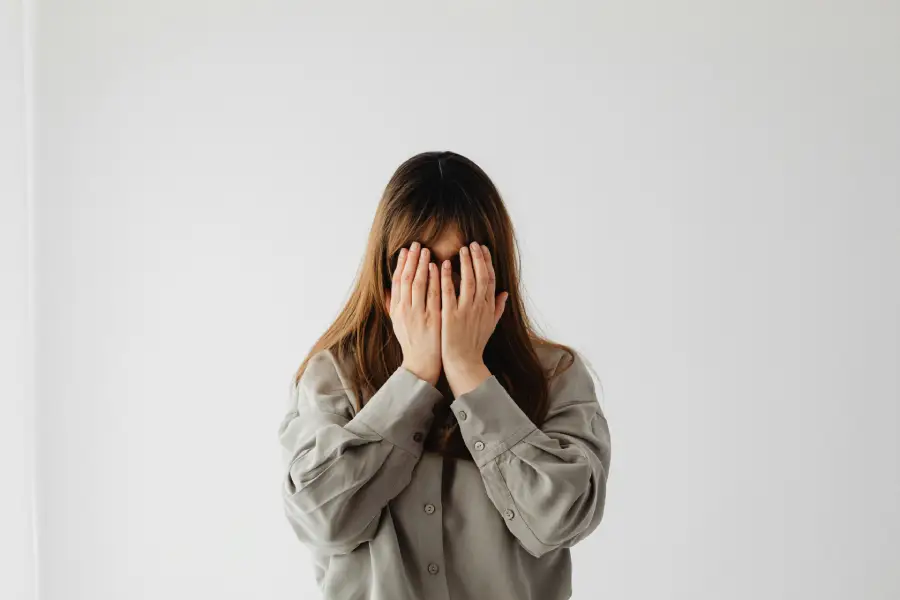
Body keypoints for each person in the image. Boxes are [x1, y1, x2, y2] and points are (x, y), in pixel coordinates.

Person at [277, 150, 611, 600]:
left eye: (460, 267)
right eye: (421, 266)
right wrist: (415, 377)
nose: (440, 287)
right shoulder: (333, 376)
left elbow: (563, 521)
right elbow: (321, 521)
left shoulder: (555, 375)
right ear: (388, 271)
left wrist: (468, 372)